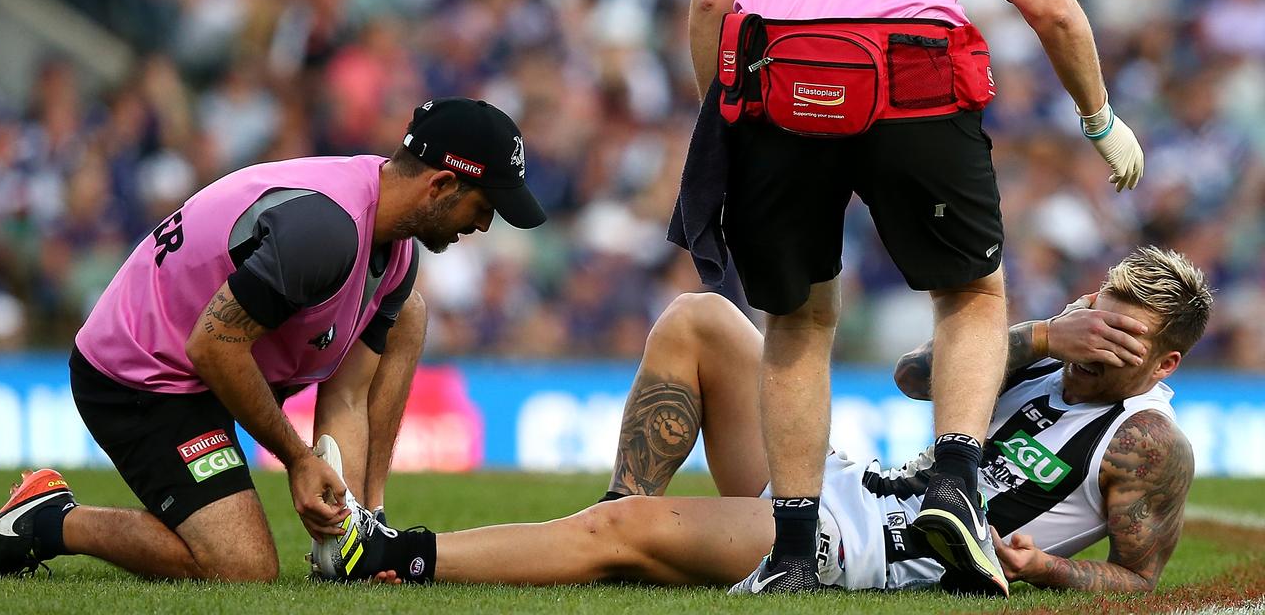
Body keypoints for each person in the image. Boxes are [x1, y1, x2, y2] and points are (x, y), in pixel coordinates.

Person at [669, 0, 1147, 594]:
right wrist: (1100, 120)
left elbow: (712, 0)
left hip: (784, 91)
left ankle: (796, 553)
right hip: (913, 88)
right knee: (971, 295)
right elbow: (1053, 10)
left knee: (798, 322)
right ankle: (954, 484)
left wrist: (730, 121)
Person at [323, 246, 1206, 595]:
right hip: (859, 488)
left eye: (1126, 332)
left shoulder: (1147, 444)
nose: (1101, 335)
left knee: (620, 531)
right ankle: (624, 533)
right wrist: (1048, 331)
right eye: (1103, 307)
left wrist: (1045, 567)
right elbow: (910, 376)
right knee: (698, 317)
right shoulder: (1046, 352)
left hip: (880, 551)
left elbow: (1141, 586)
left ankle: (393, 558)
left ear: (1164, 364)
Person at [0, 98, 546, 582]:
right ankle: (47, 518)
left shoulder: (394, 247)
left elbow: (348, 396)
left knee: (408, 314)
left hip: (218, 357)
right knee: (242, 567)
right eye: (485, 206)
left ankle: (370, 524)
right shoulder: (328, 231)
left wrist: (354, 526)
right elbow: (213, 346)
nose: (484, 225)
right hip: (142, 377)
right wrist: (299, 460)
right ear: (442, 184)